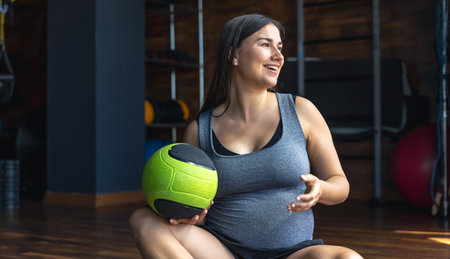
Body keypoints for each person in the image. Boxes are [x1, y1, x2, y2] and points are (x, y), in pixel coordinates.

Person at [130, 14, 363, 259]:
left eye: (280, 47)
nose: (279, 56)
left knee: (348, 258)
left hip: (293, 253)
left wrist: (322, 189)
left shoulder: (301, 111)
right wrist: (192, 216)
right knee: (143, 220)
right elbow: (195, 211)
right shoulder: (200, 129)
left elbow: (341, 184)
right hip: (222, 251)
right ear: (234, 55)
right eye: (266, 44)